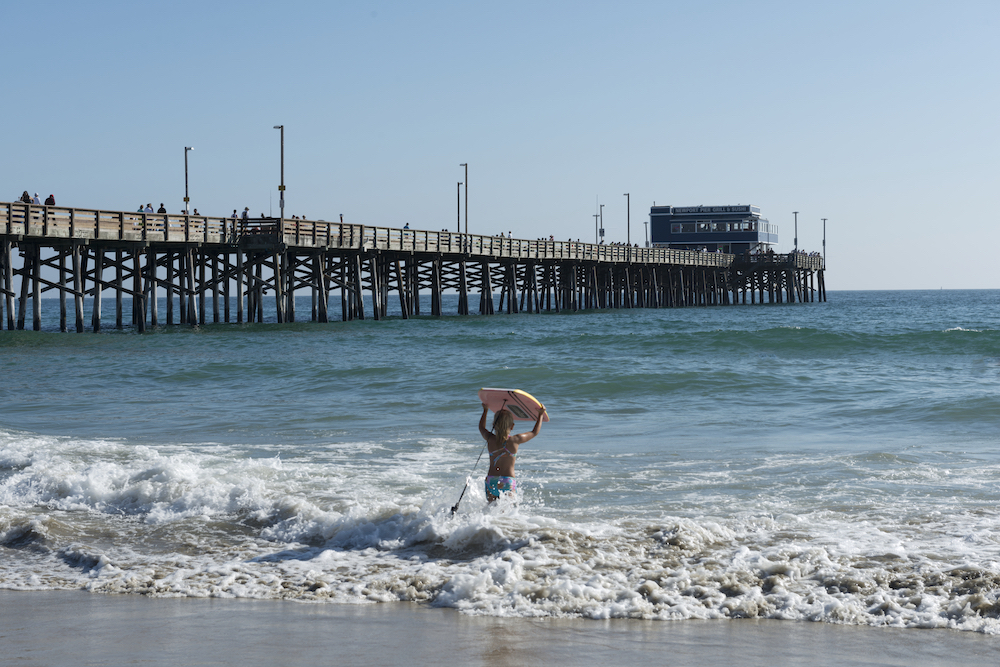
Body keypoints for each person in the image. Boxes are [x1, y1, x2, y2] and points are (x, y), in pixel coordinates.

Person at [478, 403, 546, 502]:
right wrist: (540, 414)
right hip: (507, 482)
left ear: (493, 425)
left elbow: (481, 428)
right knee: (508, 514)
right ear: (512, 426)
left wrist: (485, 410)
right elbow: (534, 432)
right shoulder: (515, 440)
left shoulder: (490, 439)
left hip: (491, 480)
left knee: (490, 511)